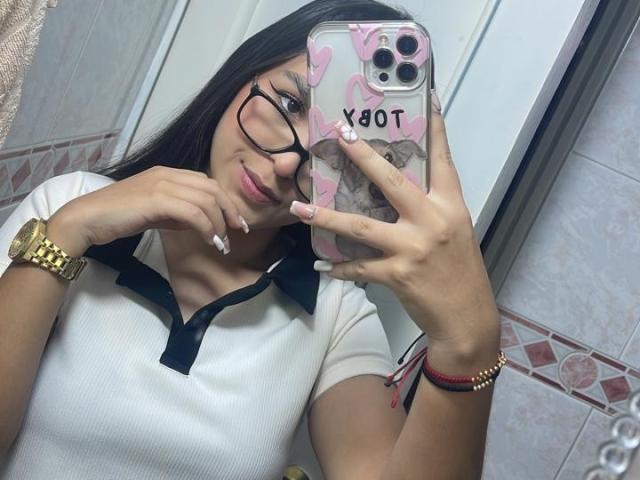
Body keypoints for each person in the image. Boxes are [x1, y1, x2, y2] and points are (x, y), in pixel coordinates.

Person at [0, 0, 503, 478]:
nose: (286, 163)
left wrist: (470, 344)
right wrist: (66, 235)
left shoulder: (335, 316)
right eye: (289, 103)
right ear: (245, 72)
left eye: (334, 151)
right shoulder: (71, 206)